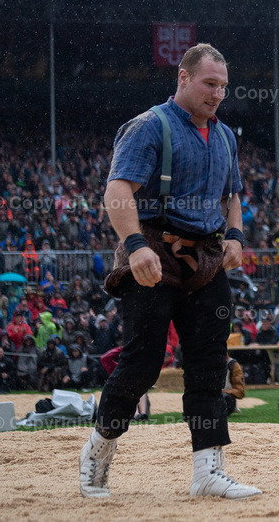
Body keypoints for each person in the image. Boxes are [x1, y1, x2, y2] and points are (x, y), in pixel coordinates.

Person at [79, 44, 260, 499]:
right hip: (152, 250)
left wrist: (236, 236)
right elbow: (118, 189)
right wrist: (134, 245)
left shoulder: (225, 136)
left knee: (210, 364)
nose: (217, 94)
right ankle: (98, 451)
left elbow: (232, 195)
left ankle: (208, 471)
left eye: (223, 86)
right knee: (141, 365)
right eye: (209, 83)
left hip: (206, 257)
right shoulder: (149, 125)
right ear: (183, 78)